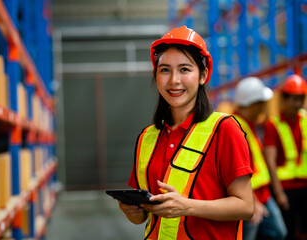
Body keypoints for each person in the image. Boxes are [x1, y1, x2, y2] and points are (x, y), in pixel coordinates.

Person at [118, 25, 254, 240]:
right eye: (165, 70)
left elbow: (246, 207)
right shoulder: (147, 137)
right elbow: (144, 218)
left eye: (184, 69)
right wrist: (133, 212)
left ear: (203, 75)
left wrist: (188, 207)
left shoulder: (224, 129)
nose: (174, 80)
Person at [234, 77, 287, 240]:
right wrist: (251, 200)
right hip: (250, 196)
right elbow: (237, 169)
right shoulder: (234, 127)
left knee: (278, 233)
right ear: (252, 104)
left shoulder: (248, 124)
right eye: (262, 103)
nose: (264, 107)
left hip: (262, 193)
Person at [264, 74, 307, 240]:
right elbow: (270, 160)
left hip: (305, 185)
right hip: (286, 188)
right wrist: (278, 192)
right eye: (294, 99)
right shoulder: (273, 124)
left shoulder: (305, 119)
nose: (298, 104)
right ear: (284, 99)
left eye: (301, 99)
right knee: (288, 232)